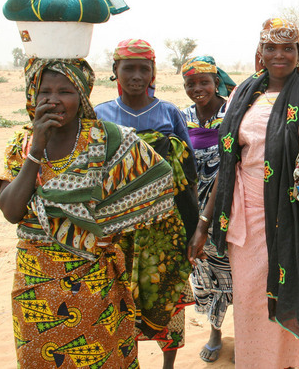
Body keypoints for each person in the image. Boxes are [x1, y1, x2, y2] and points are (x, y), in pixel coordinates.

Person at [0, 58, 176, 368]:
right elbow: (12, 211)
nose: (53, 100)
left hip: (96, 281)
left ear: (82, 94)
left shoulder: (107, 140)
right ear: (32, 96)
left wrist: (112, 226)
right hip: (35, 281)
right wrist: (36, 149)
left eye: (65, 91)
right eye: (44, 92)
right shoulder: (22, 143)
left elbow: (158, 182)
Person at [188, 17, 299, 368]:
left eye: (288, 48)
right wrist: (204, 222)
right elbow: (229, 163)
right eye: (271, 47)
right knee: (253, 306)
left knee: (298, 298)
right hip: (247, 221)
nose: (279, 55)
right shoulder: (242, 94)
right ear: (261, 51)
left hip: (296, 220)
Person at [95, 39, 196, 369]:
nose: (136, 75)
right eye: (129, 68)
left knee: (168, 296)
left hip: (164, 227)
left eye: (144, 68)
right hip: (118, 228)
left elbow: (188, 175)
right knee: (120, 303)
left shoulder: (168, 113)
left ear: (153, 72)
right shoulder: (101, 115)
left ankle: (168, 365)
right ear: (115, 71)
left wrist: (195, 229)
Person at [180, 55, 236, 363]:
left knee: (236, 275)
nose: (198, 88)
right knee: (203, 273)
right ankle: (215, 331)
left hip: (229, 207)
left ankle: (244, 333)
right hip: (194, 209)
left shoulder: (232, 111)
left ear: (216, 83)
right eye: (191, 83)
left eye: (205, 82)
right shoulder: (183, 115)